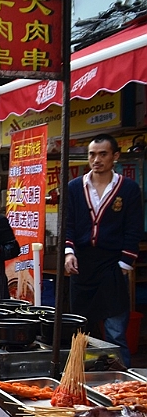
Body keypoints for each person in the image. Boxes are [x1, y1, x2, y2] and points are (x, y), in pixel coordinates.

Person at [64, 134, 143, 367]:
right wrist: (69, 252)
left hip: (112, 264)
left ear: (115, 156)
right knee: (81, 333)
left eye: (102, 154)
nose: (96, 159)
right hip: (82, 265)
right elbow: (68, 224)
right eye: (92, 154)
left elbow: (134, 229)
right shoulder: (75, 187)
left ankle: (123, 385)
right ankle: (83, 380)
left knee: (115, 332)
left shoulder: (128, 189)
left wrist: (124, 265)